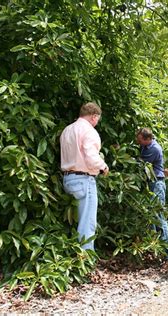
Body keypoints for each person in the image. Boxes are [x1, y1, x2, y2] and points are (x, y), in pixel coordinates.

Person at [60, 102, 109, 251]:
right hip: (84, 180)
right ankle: (85, 261)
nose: (96, 123)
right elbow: (91, 156)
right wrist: (103, 167)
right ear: (94, 116)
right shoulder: (89, 131)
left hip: (68, 179)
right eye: (97, 120)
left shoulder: (67, 130)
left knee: (73, 222)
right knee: (87, 223)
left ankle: (72, 257)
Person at [136, 127, 168, 261]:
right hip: (151, 183)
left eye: (139, 140)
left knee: (158, 217)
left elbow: (139, 163)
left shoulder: (154, 149)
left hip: (157, 184)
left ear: (147, 139)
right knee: (151, 216)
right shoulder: (146, 146)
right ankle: (157, 250)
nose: (137, 142)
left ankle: (167, 252)